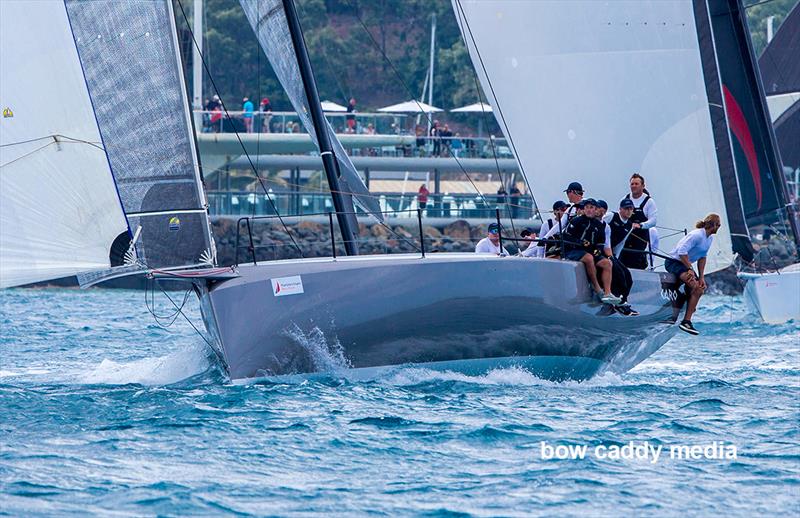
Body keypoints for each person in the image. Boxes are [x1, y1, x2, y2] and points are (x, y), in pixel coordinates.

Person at [665, 213, 721, 335]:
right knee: (695, 286)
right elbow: (681, 251)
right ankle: (686, 321)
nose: (719, 227)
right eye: (719, 225)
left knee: (700, 288)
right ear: (713, 225)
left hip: (685, 265)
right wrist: (689, 268)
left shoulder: (709, 238)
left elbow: (702, 257)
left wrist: (701, 277)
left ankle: (687, 318)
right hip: (674, 262)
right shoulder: (696, 235)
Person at [563, 199, 621, 304]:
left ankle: (608, 293)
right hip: (573, 250)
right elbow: (566, 237)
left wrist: (596, 252)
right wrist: (580, 242)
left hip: (590, 251)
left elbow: (600, 244)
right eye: (587, 207)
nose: (589, 210)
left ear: (595, 210)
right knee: (588, 258)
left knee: (607, 263)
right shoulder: (576, 221)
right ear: (584, 209)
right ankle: (597, 288)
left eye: (592, 208)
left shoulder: (599, 226)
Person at [597, 200, 638, 315]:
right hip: (600, 250)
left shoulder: (630, 225)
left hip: (611, 253)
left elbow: (621, 243)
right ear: (620, 209)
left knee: (627, 276)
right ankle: (613, 301)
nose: (628, 211)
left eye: (630, 209)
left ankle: (623, 301)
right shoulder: (611, 216)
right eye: (626, 208)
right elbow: (599, 225)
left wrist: (616, 258)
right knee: (618, 273)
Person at [621, 173, 658, 270]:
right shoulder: (625, 199)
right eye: (632, 184)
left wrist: (641, 225)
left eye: (636, 184)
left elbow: (653, 221)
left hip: (640, 236)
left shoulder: (649, 202)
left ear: (643, 186)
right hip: (626, 235)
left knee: (636, 261)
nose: (633, 186)